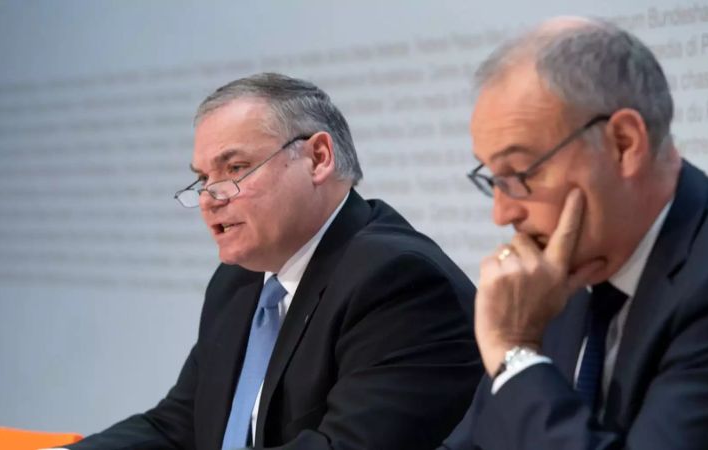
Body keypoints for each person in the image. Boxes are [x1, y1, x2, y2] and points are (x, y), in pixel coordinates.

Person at [442, 16, 708, 450]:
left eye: (520, 173)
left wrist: (514, 354)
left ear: (624, 144)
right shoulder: (559, 276)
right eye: (493, 178)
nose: (502, 212)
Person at [67, 73, 481, 449]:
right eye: (202, 178)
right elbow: (180, 424)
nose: (211, 197)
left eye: (236, 167)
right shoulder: (238, 281)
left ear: (318, 158)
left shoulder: (398, 280)